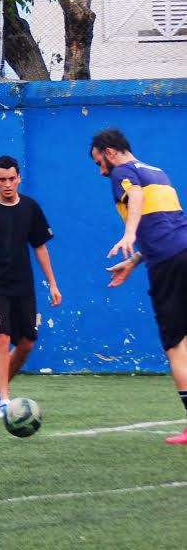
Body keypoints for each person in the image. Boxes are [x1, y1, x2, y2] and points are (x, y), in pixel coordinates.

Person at [90, 128, 187, 445]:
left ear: (109, 152)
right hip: (181, 252)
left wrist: (129, 234)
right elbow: (166, 224)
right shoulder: (156, 171)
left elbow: (137, 197)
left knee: (175, 344)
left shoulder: (122, 171)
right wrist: (133, 262)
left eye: (99, 163)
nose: (103, 171)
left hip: (168, 265)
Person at [0, 155, 62, 417]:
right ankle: (4, 400)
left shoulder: (30, 208)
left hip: (23, 286)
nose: (7, 184)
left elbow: (39, 246)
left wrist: (52, 283)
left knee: (27, 342)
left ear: (19, 178)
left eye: (11, 179)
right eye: (2, 179)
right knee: (1, 339)